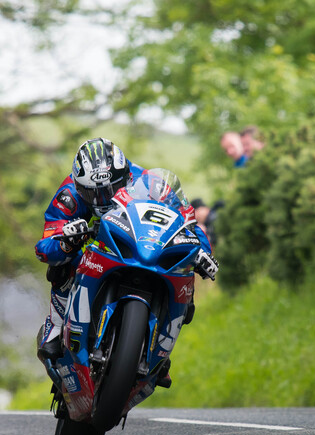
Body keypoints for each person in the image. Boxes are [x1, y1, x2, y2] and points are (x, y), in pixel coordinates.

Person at [33, 137, 219, 378]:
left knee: (185, 283)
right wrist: (66, 241)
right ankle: (57, 327)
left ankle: (159, 350)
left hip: (139, 244)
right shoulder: (69, 192)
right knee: (60, 267)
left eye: (110, 190)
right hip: (95, 247)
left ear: (125, 176)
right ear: (80, 186)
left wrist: (202, 251)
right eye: (92, 193)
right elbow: (45, 245)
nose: (102, 199)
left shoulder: (150, 182)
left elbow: (188, 222)